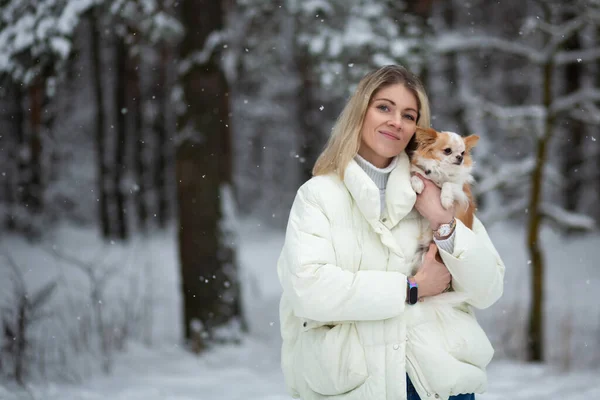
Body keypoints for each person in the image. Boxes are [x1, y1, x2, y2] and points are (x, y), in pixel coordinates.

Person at [277, 65, 505, 400]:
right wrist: (410, 288)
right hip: (354, 385)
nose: (396, 122)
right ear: (361, 112)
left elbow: (489, 289)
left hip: (439, 384)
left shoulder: (442, 190)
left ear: (417, 128)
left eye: (408, 115)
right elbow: (308, 290)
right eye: (384, 107)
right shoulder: (319, 196)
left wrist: (443, 222)